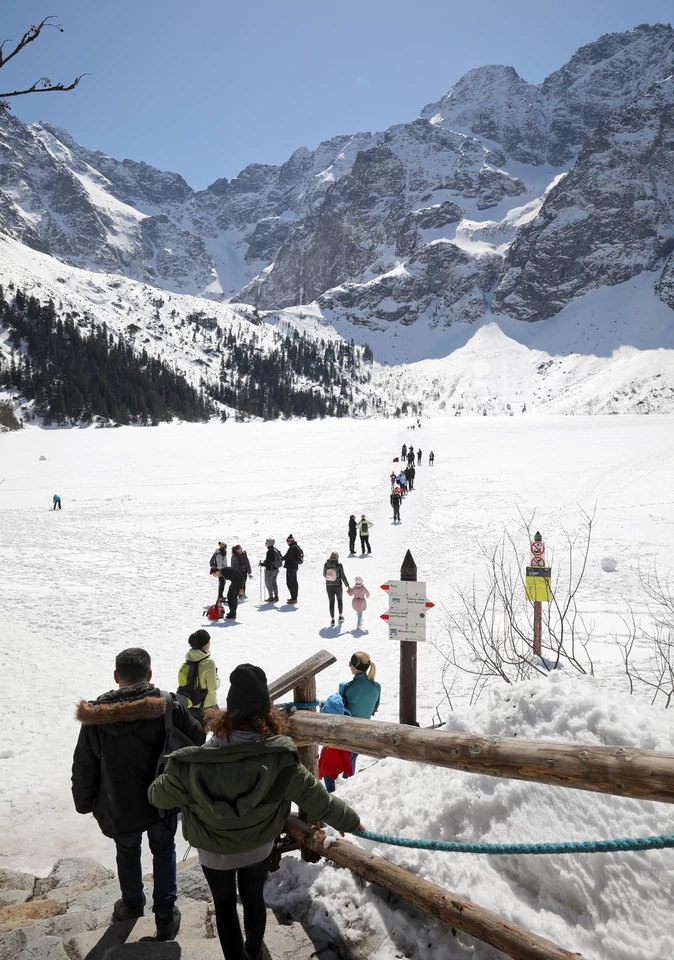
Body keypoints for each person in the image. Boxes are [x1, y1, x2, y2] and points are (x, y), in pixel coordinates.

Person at [148, 664, 364, 960]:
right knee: (253, 900)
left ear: (228, 711)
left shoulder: (191, 765)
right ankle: (254, 951)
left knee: (223, 905)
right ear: (267, 713)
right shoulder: (280, 759)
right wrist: (352, 822)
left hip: (213, 850)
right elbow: (319, 800)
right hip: (257, 846)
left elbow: (157, 796)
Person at [71, 648, 204, 940]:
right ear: (150, 674)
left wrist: (84, 802)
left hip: (118, 804)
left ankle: (131, 907)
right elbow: (198, 738)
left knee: (127, 852)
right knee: (164, 849)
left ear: (117, 676)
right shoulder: (169, 705)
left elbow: (84, 764)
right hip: (163, 799)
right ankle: (166, 915)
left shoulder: (96, 717)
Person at [339, 652, 381, 775]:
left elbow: (341, 709)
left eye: (350, 663)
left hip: (347, 731)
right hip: (365, 731)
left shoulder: (347, 687)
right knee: (352, 758)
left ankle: (346, 783)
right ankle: (348, 779)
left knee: (347, 759)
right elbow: (374, 708)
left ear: (353, 665)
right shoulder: (376, 686)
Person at [177, 629, 220, 723]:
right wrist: (217, 679)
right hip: (208, 705)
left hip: (192, 703)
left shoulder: (189, 658)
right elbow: (212, 688)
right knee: (221, 731)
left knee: (197, 734)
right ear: (205, 644)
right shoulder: (209, 663)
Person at [318, 693, 353, 793]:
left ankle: (331, 792)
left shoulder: (335, 729)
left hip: (331, 759)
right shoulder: (345, 715)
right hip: (333, 756)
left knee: (329, 780)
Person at [323, 550, 350, 625]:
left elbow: (324, 574)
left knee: (331, 602)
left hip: (329, 586)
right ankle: (340, 616)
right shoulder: (339, 565)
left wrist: (330, 578)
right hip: (338, 586)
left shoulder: (326, 564)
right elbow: (343, 576)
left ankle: (332, 620)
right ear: (337, 557)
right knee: (340, 600)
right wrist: (347, 585)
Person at [282, 534, 303, 604]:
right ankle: (294, 597)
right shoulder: (297, 546)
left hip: (290, 567)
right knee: (294, 582)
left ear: (290, 541)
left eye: (287, 541)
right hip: (295, 567)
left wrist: (279, 559)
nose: (287, 543)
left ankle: (293, 598)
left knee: (290, 583)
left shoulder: (292, 548)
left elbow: (287, 556)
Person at [259, 537, 281, 603]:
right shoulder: (275, 549)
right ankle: (276, 596)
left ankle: (271, 597)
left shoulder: (270, 551)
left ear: (269, 543)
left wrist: (262, 564)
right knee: (274, 583)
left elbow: (268, 562)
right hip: (276, 569)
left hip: (270, 570)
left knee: (268, 583)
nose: (265, 544)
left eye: (266, 542)